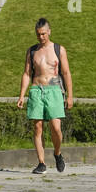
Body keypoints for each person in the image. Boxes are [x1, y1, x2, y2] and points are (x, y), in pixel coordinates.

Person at [17, 16, 73, 174]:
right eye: (38, 34)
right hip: (36, 89)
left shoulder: (59, 49)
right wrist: (22, 95)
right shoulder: (32, 51)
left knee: (56, 127)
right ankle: (41, 163)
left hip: (54, 89)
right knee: (37, 127)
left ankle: (57, 153)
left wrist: (70, 96)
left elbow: (66, 72)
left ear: (49, 32)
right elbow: (27, 73)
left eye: (43, 34)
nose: (41, 37)